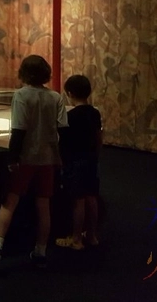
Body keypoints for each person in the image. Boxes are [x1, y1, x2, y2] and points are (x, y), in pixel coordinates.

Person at [0, 55, 68, 273]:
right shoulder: (56, 97)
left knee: (9, 202)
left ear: (24, 73)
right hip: (47, 158)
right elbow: (63, 130)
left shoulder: (21, 96)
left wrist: (12, 158)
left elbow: (18, 130)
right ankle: (40, 251)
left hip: (26, 157)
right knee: (43, 206)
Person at [55, 75, 103, 250]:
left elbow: (63, 142)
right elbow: (99, 137)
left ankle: (76, 238)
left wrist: (60, 160)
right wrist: (96, 155)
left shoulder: (70, 116)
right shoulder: (94, 113)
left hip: (74, 162)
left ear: (70, 93)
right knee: (92, 196)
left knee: (78, 200)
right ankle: (91, 235)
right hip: (90, 160)